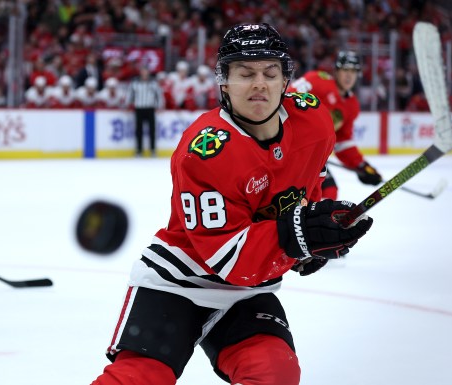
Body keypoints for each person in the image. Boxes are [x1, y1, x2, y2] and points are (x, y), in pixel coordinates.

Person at [90, 23, 373, 385]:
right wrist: (298, 235)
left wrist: (313, 243)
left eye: (271, 73)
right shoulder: (206, 151)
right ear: (223, 81)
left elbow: (308, 182)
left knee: (274, 373)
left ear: (286, 79)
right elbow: (226, 258)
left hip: (247, 293)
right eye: (245, 73)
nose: (260, 84)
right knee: (139, 378)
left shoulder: (315, 122)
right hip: (180, 281)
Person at [288, 51, 382, 199]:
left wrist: (361, 165)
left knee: (329, 192)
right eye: (345, 70)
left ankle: (309, 221)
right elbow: (286, 98)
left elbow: (342, 141)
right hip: (287, 149)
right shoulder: (317, 80)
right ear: (336, 71)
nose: (349, 75)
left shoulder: (352, 105)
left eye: (353, 71)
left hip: (312, 156)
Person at [126, 64, 164, 157]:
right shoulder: (135, 83)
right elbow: (130, 95)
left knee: (152, 130)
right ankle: (139, 150)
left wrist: (160, 106)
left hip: (150, 108)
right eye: (142, 71)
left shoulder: (153, 83)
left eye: (145, 71)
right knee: (139, 130)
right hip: (139, 108)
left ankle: (153, 150)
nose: (144, 73)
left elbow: (159, 95)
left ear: (148, 72)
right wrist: (128, 105)